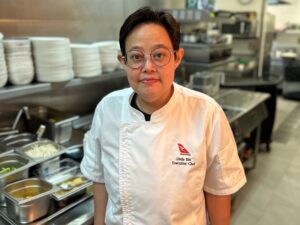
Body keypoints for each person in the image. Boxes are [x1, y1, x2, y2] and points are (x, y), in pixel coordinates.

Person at [80, 6, 246, 225]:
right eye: (137, 56)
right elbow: (99, 179)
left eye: (159, 55)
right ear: (123, 61)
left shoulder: (206, 113)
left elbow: (219, 190)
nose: (148, 67)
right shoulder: (107, 109)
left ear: (177, 57)